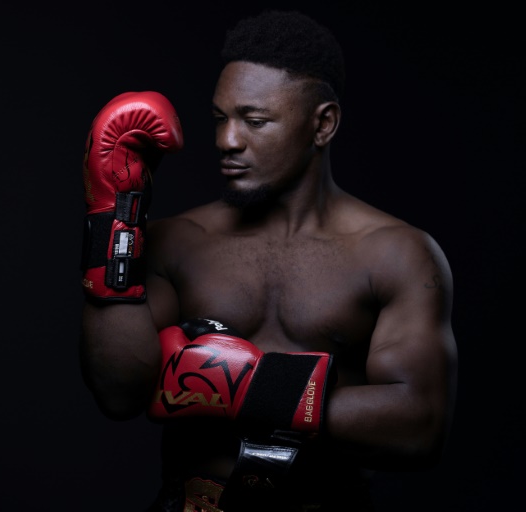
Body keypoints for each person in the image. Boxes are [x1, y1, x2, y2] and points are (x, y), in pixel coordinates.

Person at [79, 9, 458, 512]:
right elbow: (120, 392)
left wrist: (242, 389)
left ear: (323, 123)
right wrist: (114, 220)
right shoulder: (178, 241)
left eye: (254, 121)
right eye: (220, 119)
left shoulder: (395, 253)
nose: (226, 141)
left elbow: (420, 426)